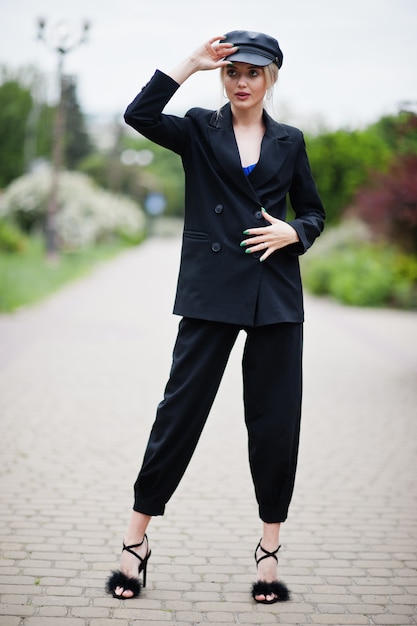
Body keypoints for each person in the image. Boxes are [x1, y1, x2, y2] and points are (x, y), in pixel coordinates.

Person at [106, 29, 325, 605]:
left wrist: (294, 232)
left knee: (276, 423)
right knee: (180, 413)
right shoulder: (200, 128)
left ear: (271, 77)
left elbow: (315, 212)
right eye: (234, 72)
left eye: (253, 73)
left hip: (275, 294)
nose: (242, 82)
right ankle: (135, 544)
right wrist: (190, 64)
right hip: (210, 293)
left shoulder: (290, 140)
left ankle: (269, 551)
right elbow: (140, 113)